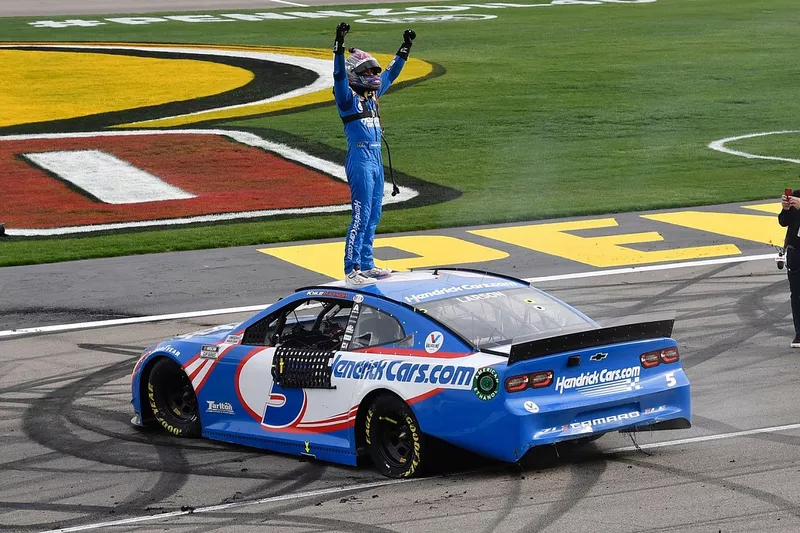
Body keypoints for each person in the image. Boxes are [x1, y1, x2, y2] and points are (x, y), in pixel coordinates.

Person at [332, 22, 416, 286]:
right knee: (360, 215)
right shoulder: (346, 99)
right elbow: (339, 75)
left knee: (373, 215)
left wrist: (405, 47)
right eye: (367, 71)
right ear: (355, 75)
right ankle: (352, 269)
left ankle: (367, 264)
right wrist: (339, 46)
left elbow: (392, 73)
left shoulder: (373, 95)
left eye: (373, 71)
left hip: (376, 160)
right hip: (360, 160)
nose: (373, 75)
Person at [779, 188, 800, 347]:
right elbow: (783, 221)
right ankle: (799, 333)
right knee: (796, 293)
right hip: (796, 250)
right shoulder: (796, 195)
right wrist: (785, 209)